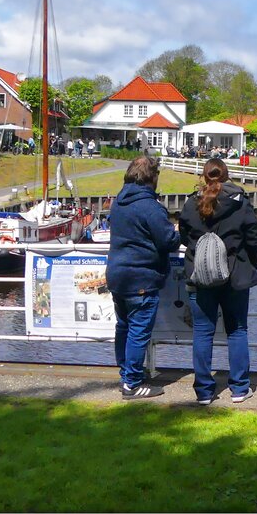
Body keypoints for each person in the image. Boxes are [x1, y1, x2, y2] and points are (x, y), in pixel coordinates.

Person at [178, 158, 257, 405]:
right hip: (235, 277)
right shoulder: (240, 204)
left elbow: (184, 237)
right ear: (226, 176)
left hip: (200, 278)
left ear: (204, 177)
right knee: (237, 330)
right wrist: (250, 265)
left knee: (202, 333)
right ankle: (239, 389)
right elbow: (256, 238)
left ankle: (204, 393)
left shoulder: (190, 204)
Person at [104, 155, 180, 400]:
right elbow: (168, 241)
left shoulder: (119, 202)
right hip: (141, 277)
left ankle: (126, 375)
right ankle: (133, 384)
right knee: (138, 331)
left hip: (117, 274)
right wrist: (177, 230)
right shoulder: (149, 206)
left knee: (123, 327)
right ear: (152, 178)